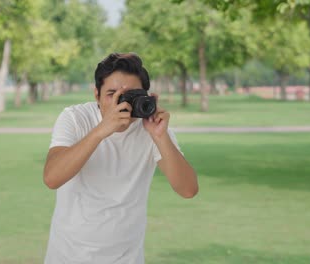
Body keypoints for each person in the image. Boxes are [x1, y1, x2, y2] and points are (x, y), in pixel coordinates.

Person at [42, 52, 198, 263]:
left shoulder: (152, 128)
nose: (121, 104)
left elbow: (188, 189)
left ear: (146, 95)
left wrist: (160, 137)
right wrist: (101, 130)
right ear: (96, 95)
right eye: (112, 94)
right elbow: (52, 178)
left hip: (127, 257)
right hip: (69, 255)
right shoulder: (75, 118)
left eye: (130, 95)